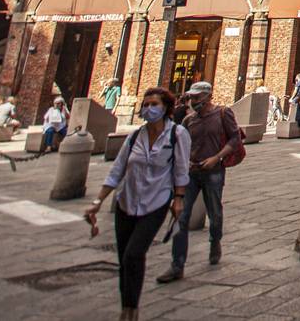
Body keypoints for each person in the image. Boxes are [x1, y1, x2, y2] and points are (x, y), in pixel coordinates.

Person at [83, 86, 189, 321]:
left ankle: (132, 308)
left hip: (157, 201)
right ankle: (128, 307)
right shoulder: (134, 137)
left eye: (155, 104)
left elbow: (181, 170)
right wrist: (98, 201)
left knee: (133, 254)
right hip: (126, 201)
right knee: (125, 259)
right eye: (146, 105)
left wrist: (179, 198)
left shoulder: (177, 135)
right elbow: (117, 171)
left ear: (166, 108)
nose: (149, 109)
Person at [160, 80, 241, 284]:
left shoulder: (223, 114)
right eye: (191, 97)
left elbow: (235, 139)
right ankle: (177, 264)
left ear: (207, 96)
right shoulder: (189, 120)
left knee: (215, 212)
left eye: (196, 97)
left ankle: (215, 241)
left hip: (214, 171)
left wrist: (217, 158)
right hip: (191, 173)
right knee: (181, 216)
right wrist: (184, 162)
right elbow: (180, 144)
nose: (192, 101)